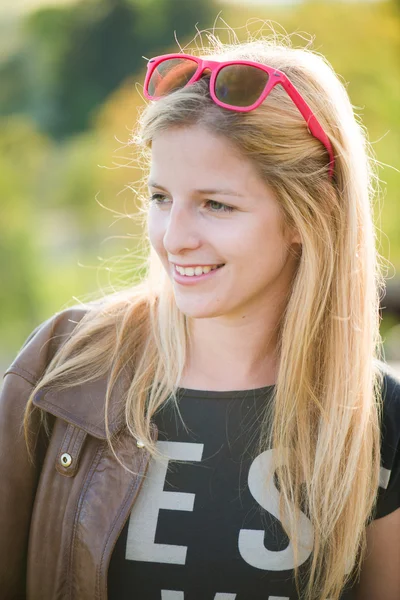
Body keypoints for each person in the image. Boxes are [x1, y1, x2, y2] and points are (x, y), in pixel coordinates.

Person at [1, 30, 400, 600]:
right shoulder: (65, 365)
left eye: (216, 204)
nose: (175, 238)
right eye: (161, 197)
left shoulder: (378, 418)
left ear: (306, 216)